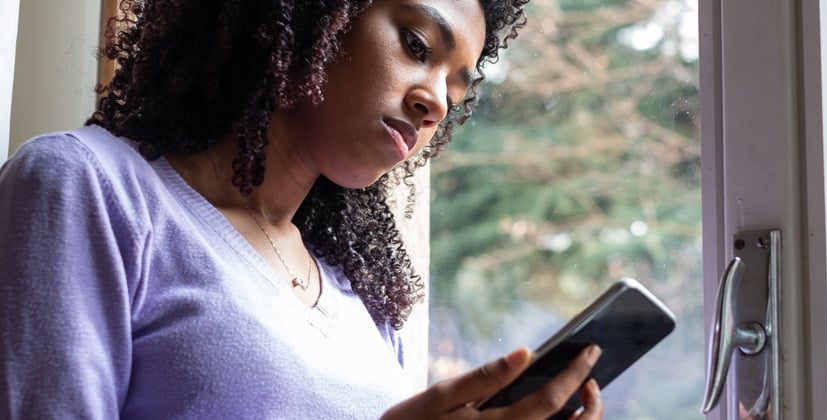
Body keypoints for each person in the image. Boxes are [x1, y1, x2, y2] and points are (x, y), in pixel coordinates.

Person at [0, 0, 605, 418]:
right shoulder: (88, 187)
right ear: (319, 13)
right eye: (417, 45)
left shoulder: (362, 305)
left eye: (454, 89)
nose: (436, 104)